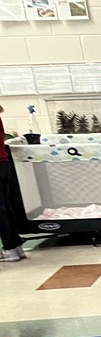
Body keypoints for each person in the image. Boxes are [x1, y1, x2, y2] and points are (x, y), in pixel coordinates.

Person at [0, 102, 27, 263]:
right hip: (3, 164)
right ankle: (16, 246)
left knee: (1, 210)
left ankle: (10, 249)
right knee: (6, 207)